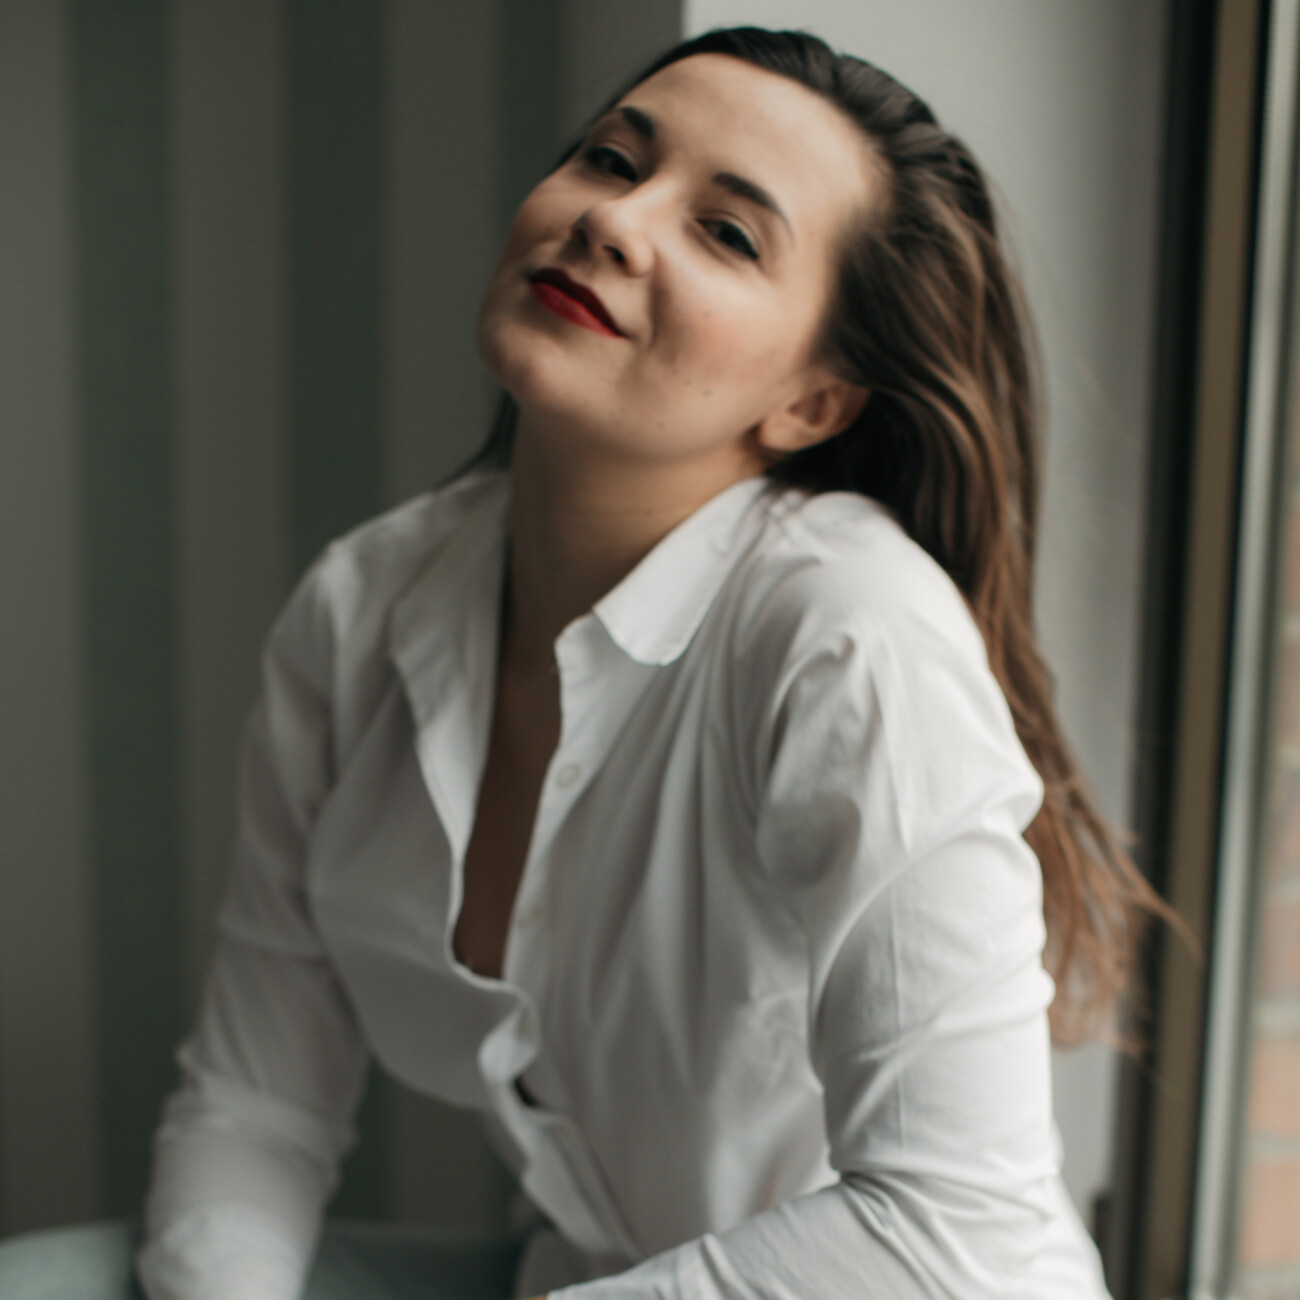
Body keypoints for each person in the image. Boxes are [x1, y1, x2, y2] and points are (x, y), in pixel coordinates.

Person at [129, 24, 1168, 1300]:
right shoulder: (359, 613)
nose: (612, 222)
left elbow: (951, 1234)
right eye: (612, 160)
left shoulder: (852, 634)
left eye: (726, 233)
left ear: (813, 401)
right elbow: (256, 1109)